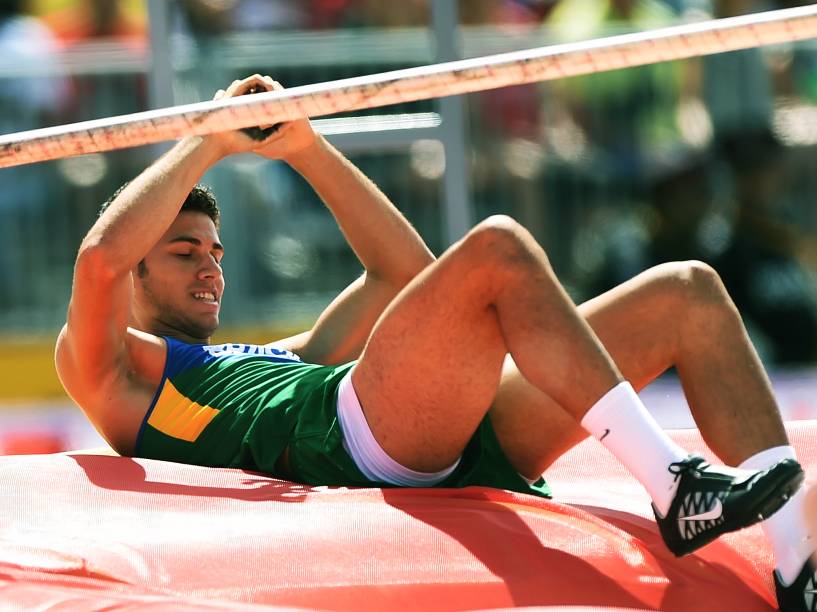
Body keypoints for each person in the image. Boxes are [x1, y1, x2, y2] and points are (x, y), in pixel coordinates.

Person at [56, 75, 811, 611]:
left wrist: (306, 149)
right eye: (185, 252)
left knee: (686, 291)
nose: (210, 267)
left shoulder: (277, 356)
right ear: (138, 274)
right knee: (496, 249)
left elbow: (404, 276)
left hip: (416, 418)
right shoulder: (120, 374)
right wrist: (207, 141)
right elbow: (98, 261)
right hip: (348, 432)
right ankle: (675, 486)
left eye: (217, 252)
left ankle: (797, 564)